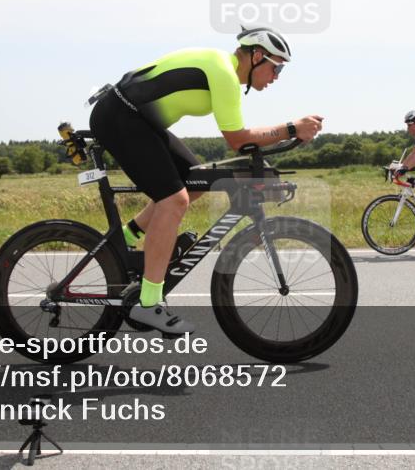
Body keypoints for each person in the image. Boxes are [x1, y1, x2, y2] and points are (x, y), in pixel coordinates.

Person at [88, 27, 323, 333]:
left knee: (195, 180)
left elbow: (240, 138)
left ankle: (129, 238)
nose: (276, 77)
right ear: (255, 56)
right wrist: (292, 127)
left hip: (136, 118)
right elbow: (238, 139)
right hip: (121, 116)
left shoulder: (222, 67)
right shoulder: (224, 75)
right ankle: (149, 304)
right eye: (276, 67)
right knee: (175, 200)